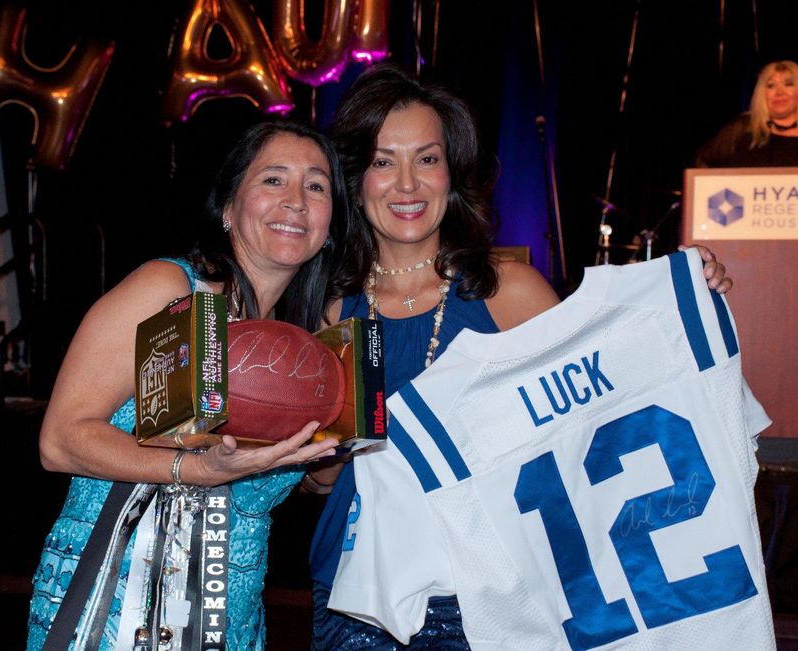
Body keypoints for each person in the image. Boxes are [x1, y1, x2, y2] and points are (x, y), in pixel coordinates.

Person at [305, 64, 734, 650]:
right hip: (354, 599)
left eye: (427, 159)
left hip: (488, 600)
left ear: (452, 173)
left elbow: (601, 410)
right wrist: (331, 446)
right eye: (383, 161)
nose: (407, 183)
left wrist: (681, 297)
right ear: (356, 178)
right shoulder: (333, 312)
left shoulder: (509, 292)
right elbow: (325, 483)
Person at [27, 120, 366, 650]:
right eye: (274, 180)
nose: (296, 201)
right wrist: (198, 469)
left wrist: (340, 441)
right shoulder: (170, 289)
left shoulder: (312, 349)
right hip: (118, 602)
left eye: (316, 186)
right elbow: (60, 440)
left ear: (330, 223)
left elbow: (308, 483)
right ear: (229, 208)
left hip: (229, 617)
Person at [695, 60, 798, 167]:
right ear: (761, 93)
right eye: (771, 86)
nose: (779, 92)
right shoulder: (740, 129)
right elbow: (700, 163)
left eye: (789, 84)